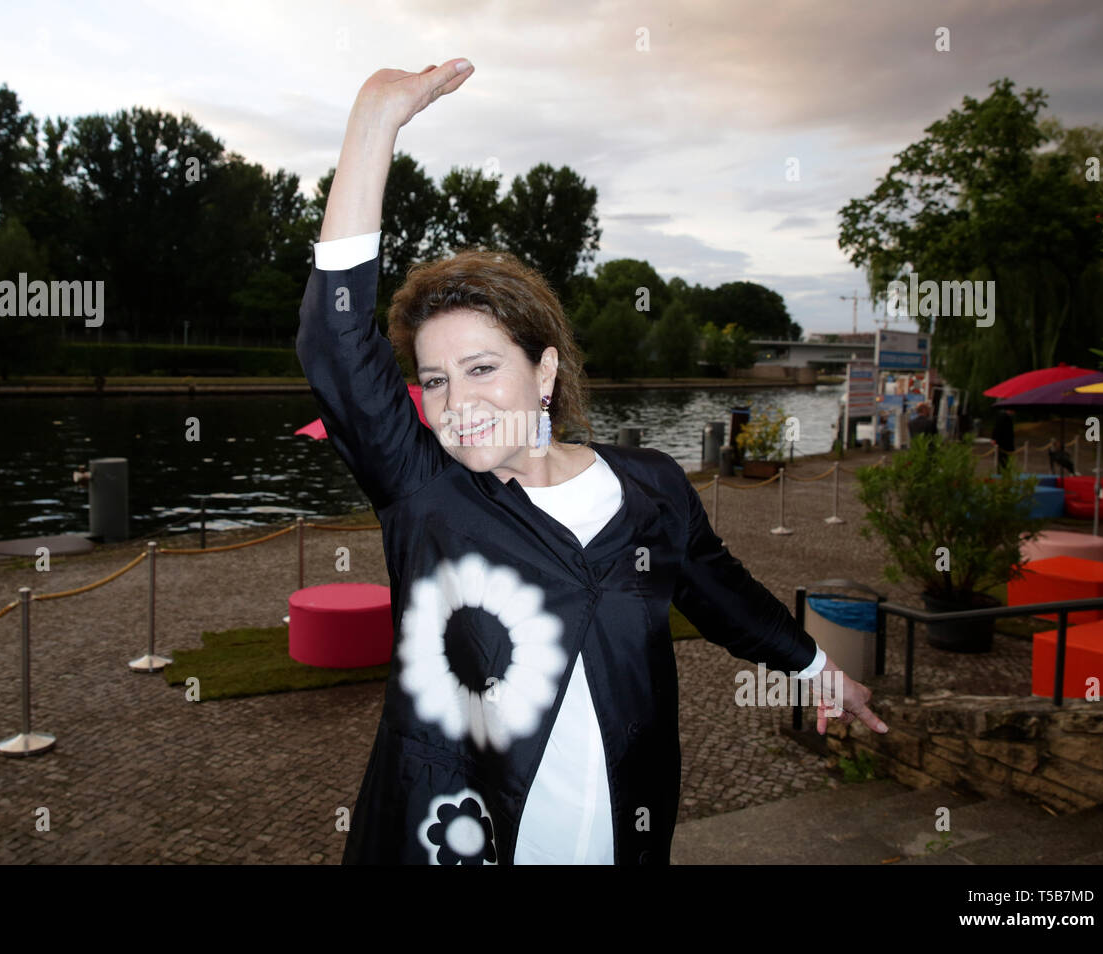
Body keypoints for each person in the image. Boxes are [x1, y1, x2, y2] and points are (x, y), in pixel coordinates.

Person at [296, 59, 887, 866]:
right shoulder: (428, 494)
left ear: (543, 373)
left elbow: (720, 594)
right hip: (454, 839)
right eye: (433, 379)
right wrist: (375, 122)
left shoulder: (651, 488)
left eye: (481, 368)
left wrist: (818, 667)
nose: (454, 400)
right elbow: (335, 341)